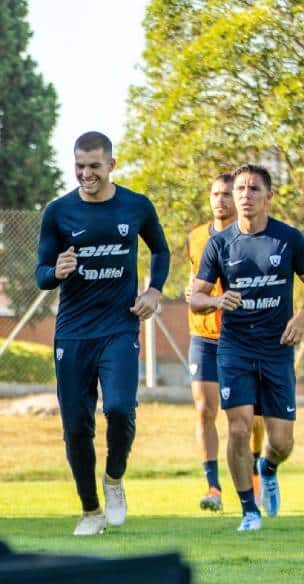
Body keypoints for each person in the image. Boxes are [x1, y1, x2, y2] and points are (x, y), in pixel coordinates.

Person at [36, 131, 170, 536]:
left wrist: (154, 291)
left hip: (119, 326)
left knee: (118, 410)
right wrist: (55, 272)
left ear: (111, 164)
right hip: (73, 333)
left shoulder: (136, 206)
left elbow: (160, 251)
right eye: (79, 165)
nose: (85, 173)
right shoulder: (58, 212)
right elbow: (41, 274)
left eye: (94, 165)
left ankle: (114, 479)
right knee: (76, 426)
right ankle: (90, 510)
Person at [191, 164, 303, 532]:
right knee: (238, 428)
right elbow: (195, 296)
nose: (245, 194)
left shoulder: (288, 239)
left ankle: (267, 468)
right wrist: (217, 302)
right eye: (240, 188)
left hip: (276, 349)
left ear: (268, 197)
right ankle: (248, 511)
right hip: (234, 347)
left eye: (254, 188)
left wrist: (300, 318)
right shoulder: (219, 244)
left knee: (282, 441)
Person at [185, 174, 264, 512]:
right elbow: (195, 280)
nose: (221, 200)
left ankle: (258, 473)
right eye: (215, 194)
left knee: (252, 416)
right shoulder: (196, 237)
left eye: (227, 194)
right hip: (204, 334)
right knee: (205, 409)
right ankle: (212, 487)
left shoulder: (251, 236)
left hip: (244, 335)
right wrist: (192, 292)